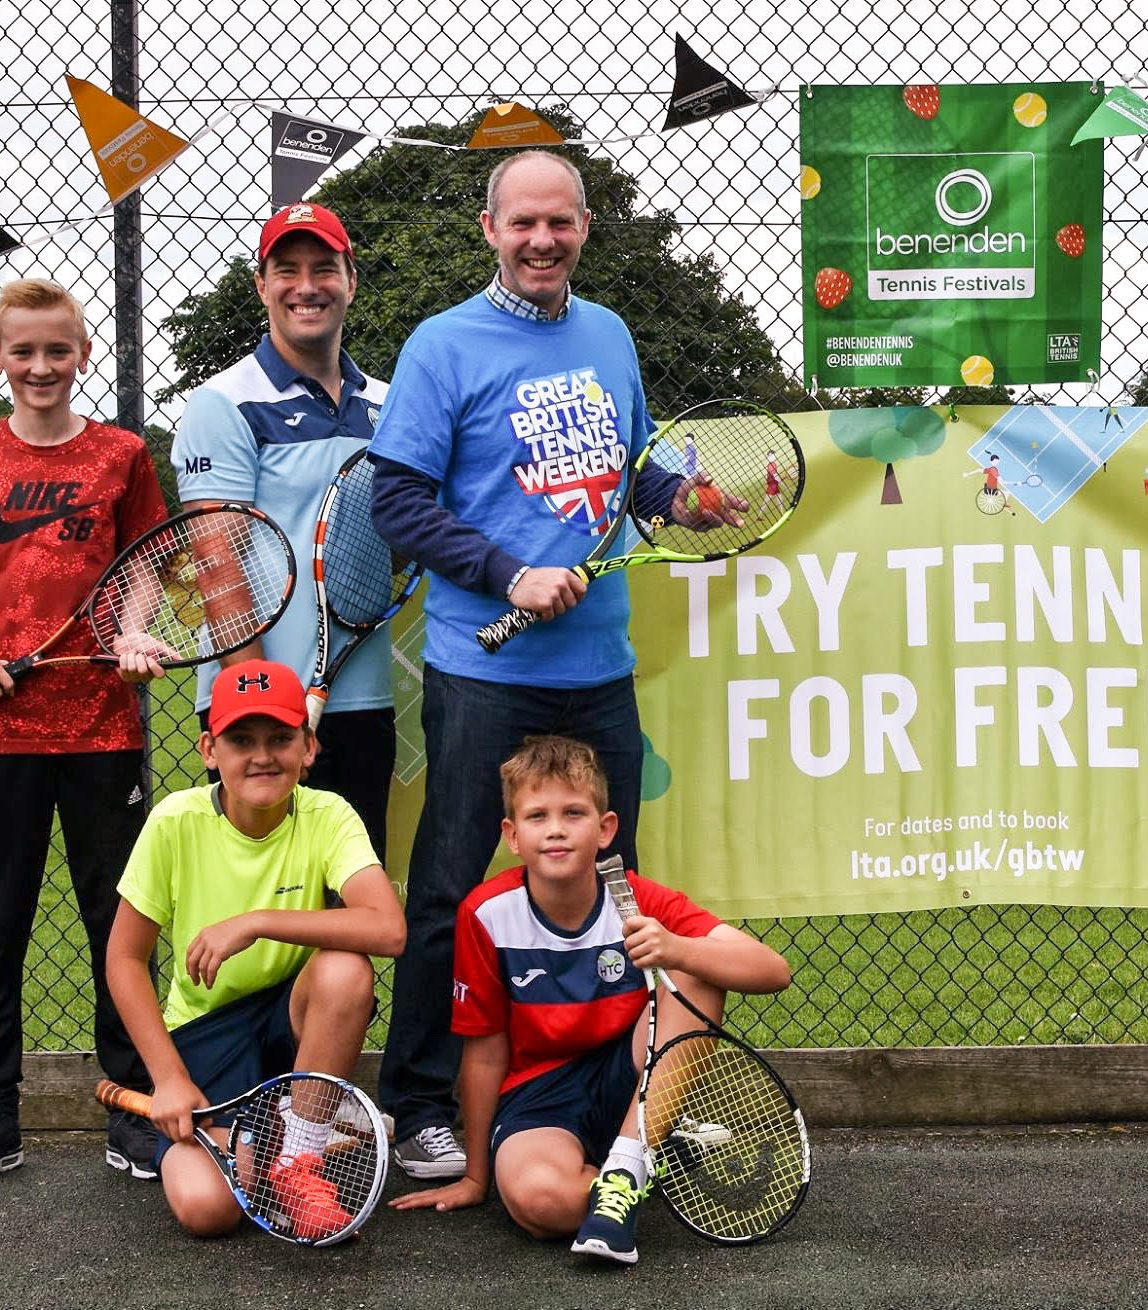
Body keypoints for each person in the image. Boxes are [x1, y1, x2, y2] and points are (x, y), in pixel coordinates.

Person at [369, 150, 729, 1180]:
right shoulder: (442, 345)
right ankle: (421, 1103)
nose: (540, 241)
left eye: (559, 223)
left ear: (583, 228)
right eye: (522, 223)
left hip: (596, 663)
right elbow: (396, 499)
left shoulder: (610, 333)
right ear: (489, 228)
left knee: (615, 886)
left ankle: (624, 1100)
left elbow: (630, 470)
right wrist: (504, 572)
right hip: (480, 669)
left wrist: (680, 500)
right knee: (447, 883)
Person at [0, 277, 169, 1186]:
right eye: (25, 352)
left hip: (102, 731)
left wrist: (132, 630)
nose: (42, 367)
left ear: (84, 354)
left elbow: (144, 569)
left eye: (59, 351)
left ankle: (130, 1107)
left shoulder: (124, 455)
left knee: (119, 928)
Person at [390, 735, 790, 1266]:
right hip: (538, 1095)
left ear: (605, 829)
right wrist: (477, 1176)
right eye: (537, 815)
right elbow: (484, 1050)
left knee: (696, 972)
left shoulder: (638, 898)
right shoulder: (486, 914)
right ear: (512, 835)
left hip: (629, 1081)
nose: (555, 828)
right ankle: (645, 1166)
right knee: (541, 1204)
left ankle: (626, 1163)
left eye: (573, 812)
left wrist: (677, 947)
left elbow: (773, 970)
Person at [102, 659, 405, 1238]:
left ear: (309, 747)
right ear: (209, 750)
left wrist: (258, 921)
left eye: (280, 739)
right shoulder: (174, 822)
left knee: (345, 969)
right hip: (205, 1032)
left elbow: (388, 930)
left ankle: (299, 1156)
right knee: (207, 1211)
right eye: (241, 740)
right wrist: (167, 1078)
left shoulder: (329, 815)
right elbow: (123, 959)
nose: (262, 756)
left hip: (288, 1022)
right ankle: (257, 1132)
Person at [171, 202, 395, 862]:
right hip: (256, 710)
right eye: (287, 270)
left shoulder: (389, 403)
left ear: (351, 280)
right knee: (258, 934)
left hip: (361, 698)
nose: (307, 286)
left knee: (345, 920)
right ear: (262, 285)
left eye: (325, 268)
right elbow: (217, 562)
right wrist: (265, 710)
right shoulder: (223, 402)